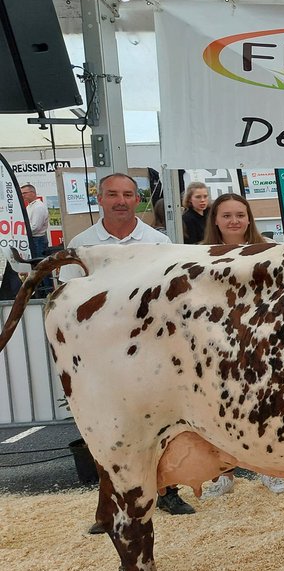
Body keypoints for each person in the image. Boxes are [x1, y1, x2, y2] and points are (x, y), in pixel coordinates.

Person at [69, 174, 194, 520]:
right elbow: (69, 304)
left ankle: (167, 493)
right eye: (113, 194)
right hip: (99, 356)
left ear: (137, 199)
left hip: (149, 350)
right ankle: (110, 503)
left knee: (161, 423)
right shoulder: (81, 245)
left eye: (127, 194)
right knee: (106, 431)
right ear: (99, 198)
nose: (120, 200)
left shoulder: (158, 243)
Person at [197, 193, 284, 498]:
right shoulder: (200, 255)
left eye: (240, 214)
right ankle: (222, 475)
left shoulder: (267, 251)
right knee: (217, 411)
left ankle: (267, 470)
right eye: (227, 215)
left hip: (258, 342)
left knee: (261, 408)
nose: (234, 221)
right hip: (214, 343)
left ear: (249, 218)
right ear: (215, 220)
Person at [19, 184, 51, 297]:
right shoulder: (30, 206)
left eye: (25, 193)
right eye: (22, 193)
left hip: (38, 240)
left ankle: (47, 293)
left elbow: (35, 227)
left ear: (33, 193)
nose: (23, 195)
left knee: (41, 267)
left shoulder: (38, 207)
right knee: (36, 268)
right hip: (33, 240)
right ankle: (40, 292)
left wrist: (21, 232)